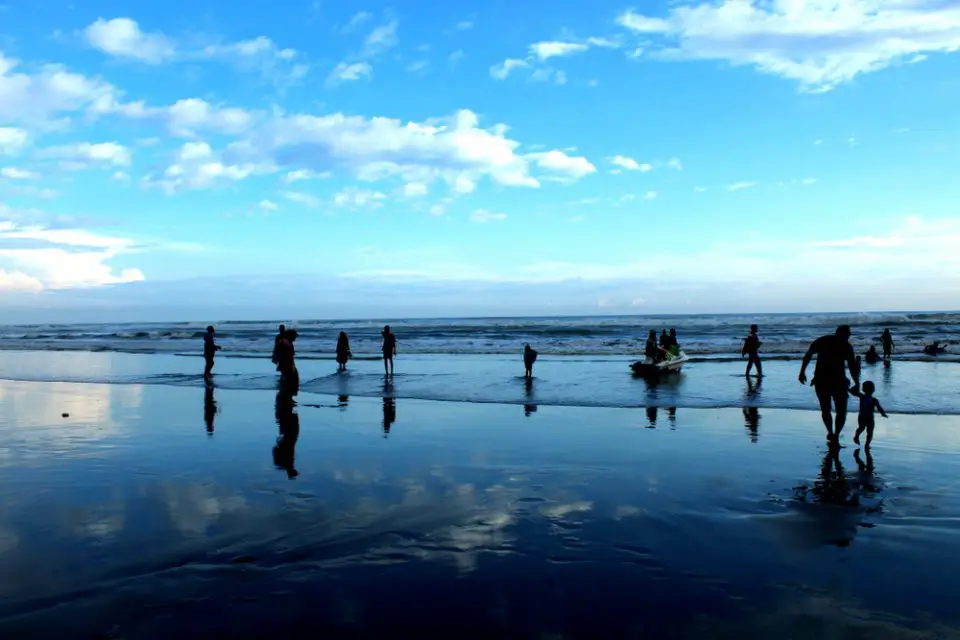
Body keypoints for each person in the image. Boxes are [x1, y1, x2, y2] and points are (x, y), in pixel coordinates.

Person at [798, 325, 859, 444]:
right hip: (821, 380)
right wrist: (802, 372)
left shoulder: (846, 347)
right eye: (845, 336)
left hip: (839, 380)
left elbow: (852, 366)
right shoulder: (822, 341)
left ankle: (836, 434)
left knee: (841, 411)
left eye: (848, 336)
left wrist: (857, 383)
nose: (846, 339)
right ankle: (830, 432)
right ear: (838, 334)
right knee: (825, 409)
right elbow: (808, 355)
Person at [850, 380, 888, 448]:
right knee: (863, 429)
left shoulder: (873, 399)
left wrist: (883, 413)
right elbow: (853, 393)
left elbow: (879, 407)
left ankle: (866, 444)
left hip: (868, 417)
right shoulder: (862, 396)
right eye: (869, 389)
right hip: (864, 417)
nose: (870, 391)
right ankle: (857, 437)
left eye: (870, 389)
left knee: (867, 430)